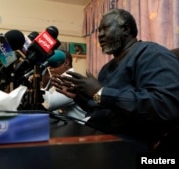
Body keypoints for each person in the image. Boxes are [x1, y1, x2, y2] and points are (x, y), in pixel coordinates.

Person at [51, 8, 179, 151]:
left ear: (126, 29)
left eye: (105, 28)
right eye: (99, 31)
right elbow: (103, 108)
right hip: (99, 134)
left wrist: (100, 92)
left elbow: (165, 106)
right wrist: (80, 97)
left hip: (130, 143)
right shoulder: (107, 68)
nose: (100, 35)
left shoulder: (152, 54)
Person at [42, 50, 87, 120]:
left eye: (54, 62)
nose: (50, 66)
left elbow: (49, 104)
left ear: (66, 62)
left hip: (79, 126)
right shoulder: (58, 79)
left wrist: (38, 84)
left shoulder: (71, 80)